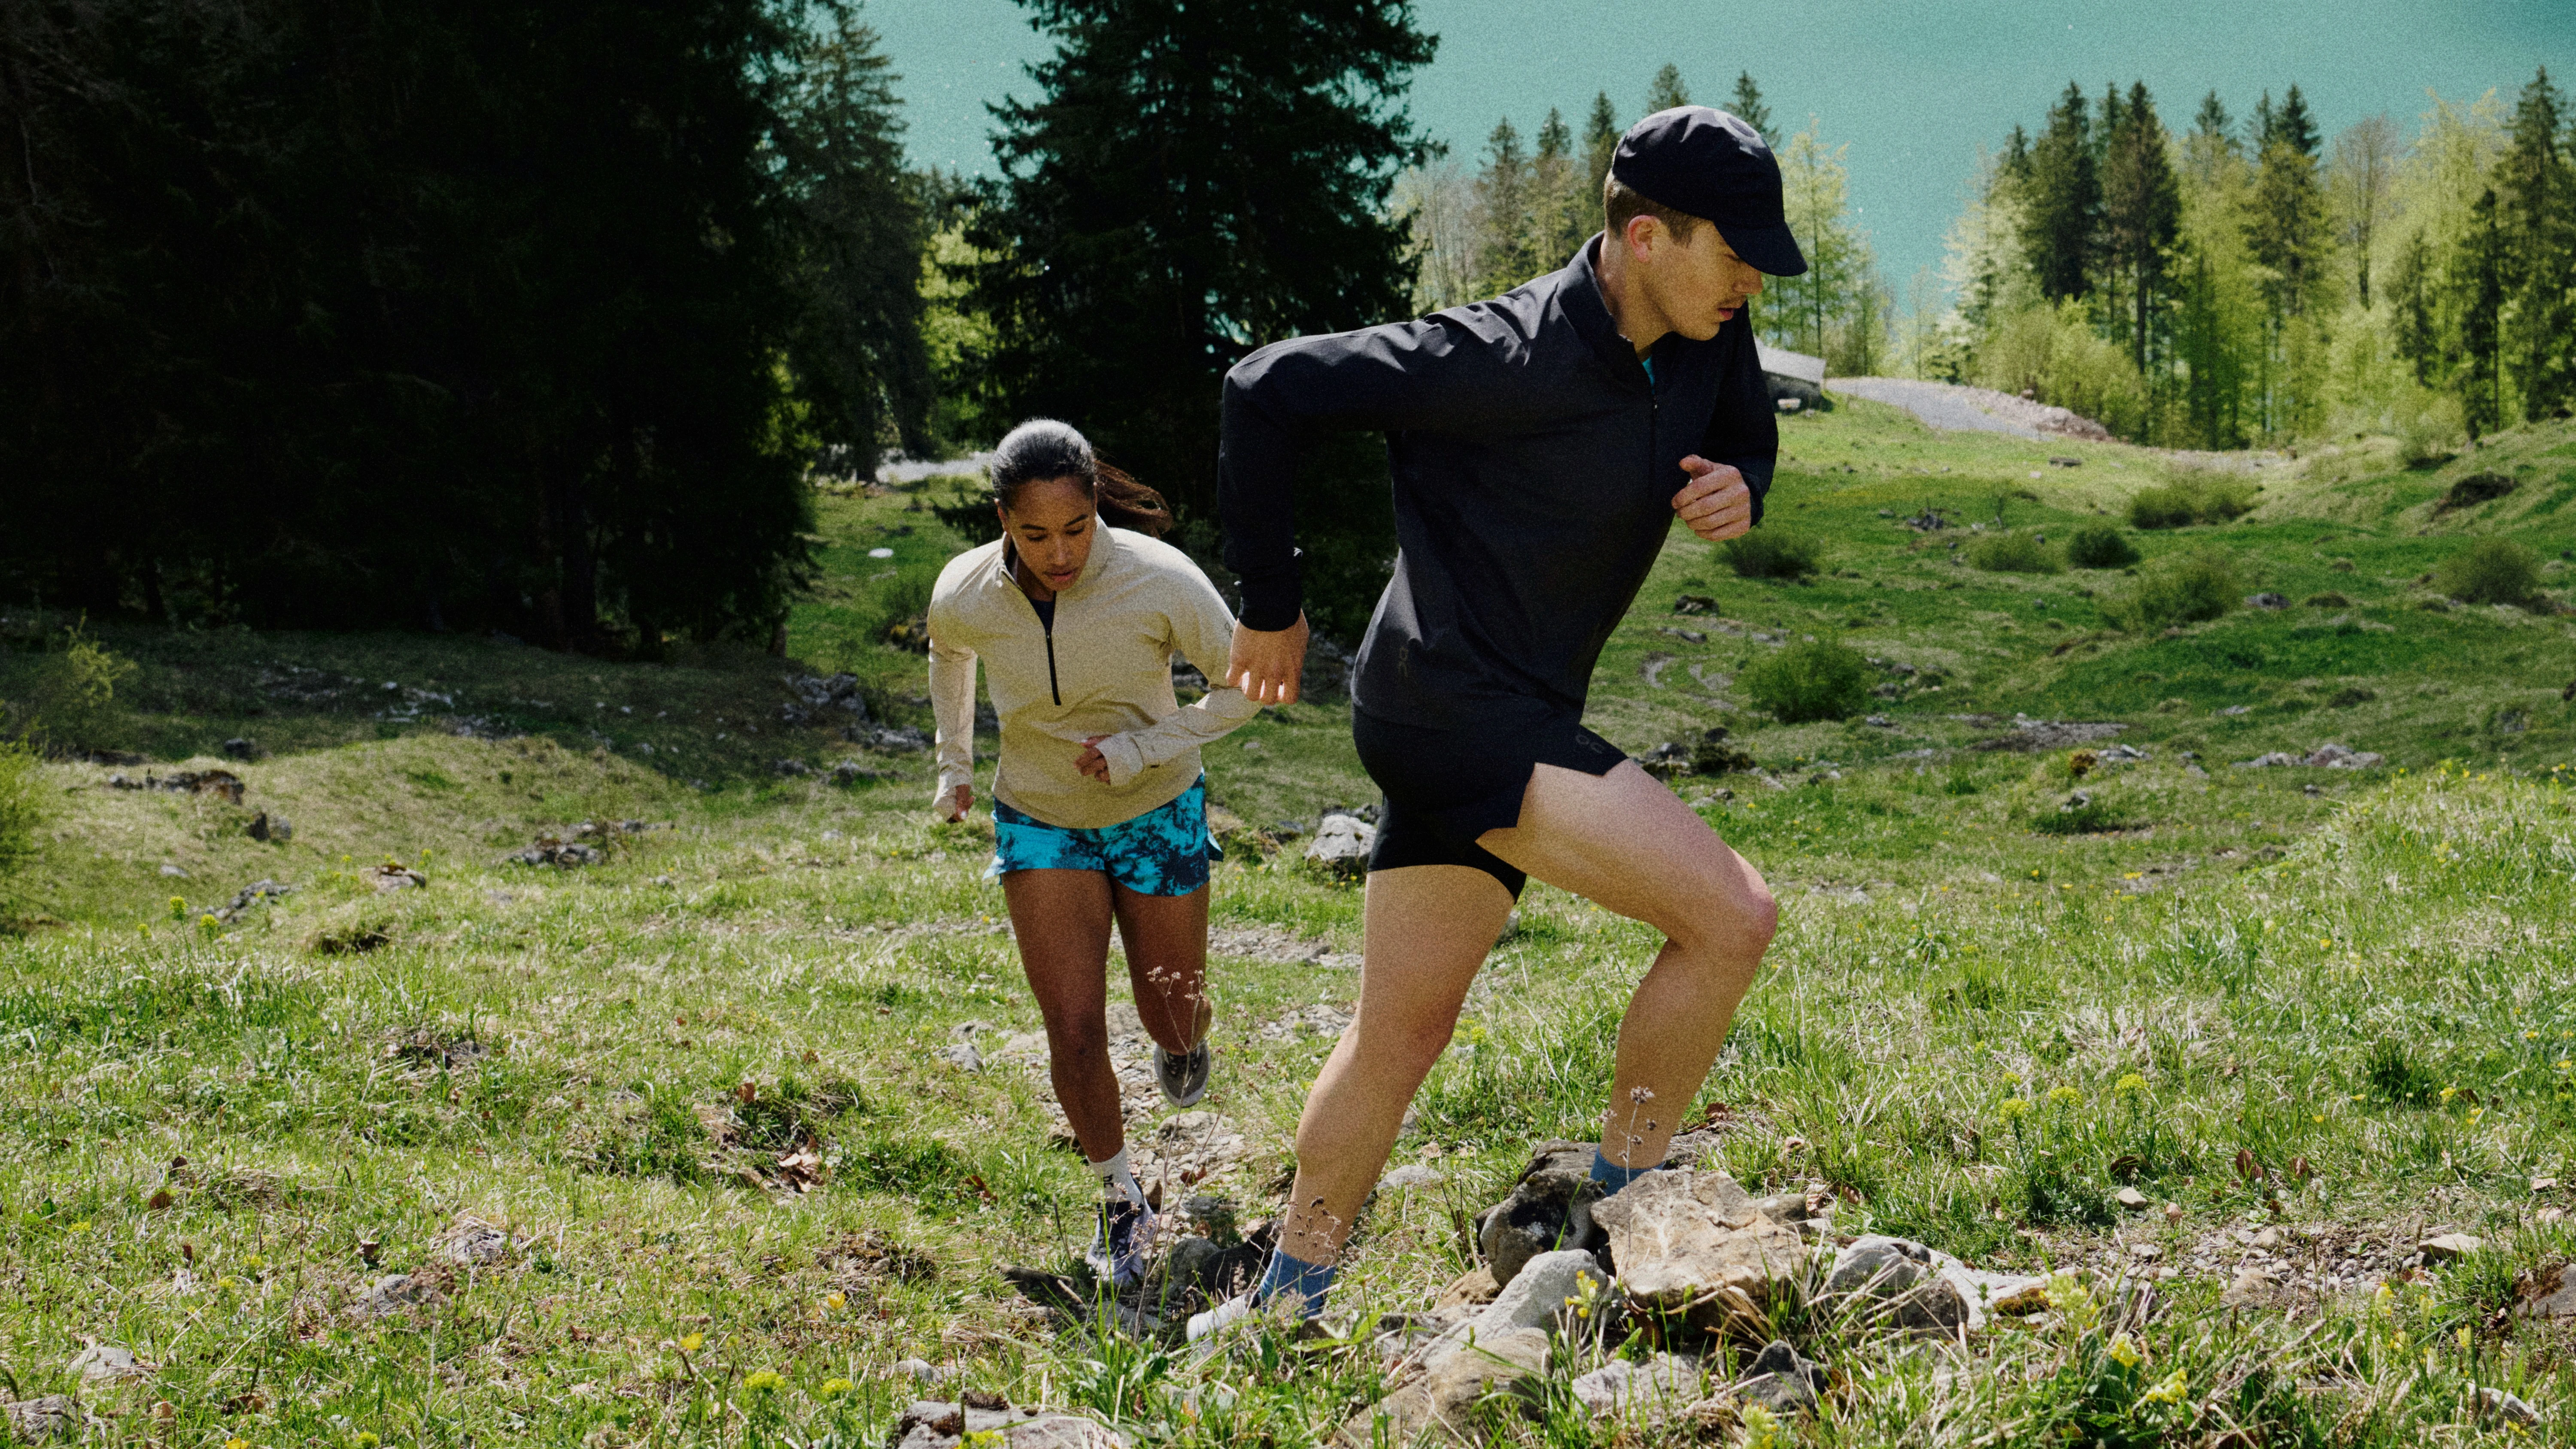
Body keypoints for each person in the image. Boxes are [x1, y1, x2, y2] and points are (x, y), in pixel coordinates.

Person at [1191, 107, 1801, 1337]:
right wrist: (1270, 604)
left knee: (1399, 1032)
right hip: (1451, 711)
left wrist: (1747, 484)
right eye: (1733, 256)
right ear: (1644, 235)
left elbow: (1741, 427)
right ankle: (1624, 1225)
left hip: (1490, 715)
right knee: (1733, 917)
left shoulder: (1703, 336)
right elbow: (1261, 391)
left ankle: (1285, 1299)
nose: (1750, 283)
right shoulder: (1494, 354)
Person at [926, 419, 1262, 1288]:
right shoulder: (965, 589)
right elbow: (948, 655)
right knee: (1072, 1028)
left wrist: (1145, 748)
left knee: (1170, 1014)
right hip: (1040, 816)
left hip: (1156, 808)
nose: (1059, 552)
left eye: (1075, 529)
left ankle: (1184, 1043)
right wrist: (954, 765)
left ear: (1095, 507)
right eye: (1035, 534)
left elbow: (1243, 688)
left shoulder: (1158, 577)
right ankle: (1120, 1203)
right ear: (1003, 518)